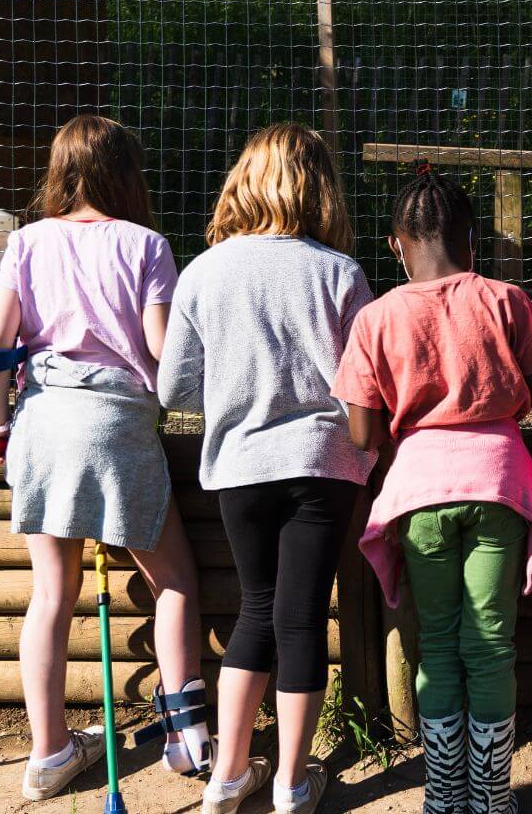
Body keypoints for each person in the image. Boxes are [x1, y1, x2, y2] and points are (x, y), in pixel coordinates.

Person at [0, 114, 211, 800]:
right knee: (174, 581)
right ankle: (186, 737)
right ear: (126, 174)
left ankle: (48, 755)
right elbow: (165, 354)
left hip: (42, 420)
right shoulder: (147, 246)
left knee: (52, 592)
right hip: (116, 423)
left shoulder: (25, 241)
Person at [158, 123, 374, 814]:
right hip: (323, 460)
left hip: (240, 462)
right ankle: (289, 783)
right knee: (303, 618)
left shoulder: (203, 271)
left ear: (244, 180)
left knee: (255, 609)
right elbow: (364, 382)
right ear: (318, 187)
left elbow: (173, 391)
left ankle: (226, 773)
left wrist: (231, 394)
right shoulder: (339, 272)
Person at [333, 165, 532, 814]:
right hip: (500, 485)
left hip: (418, 493)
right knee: (489, 643)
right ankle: (492, 799)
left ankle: (444, 795)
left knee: (435, 642)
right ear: (471, 238)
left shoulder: (377, 319)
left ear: (397, 246)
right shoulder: (506, 300)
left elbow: (362, 432)